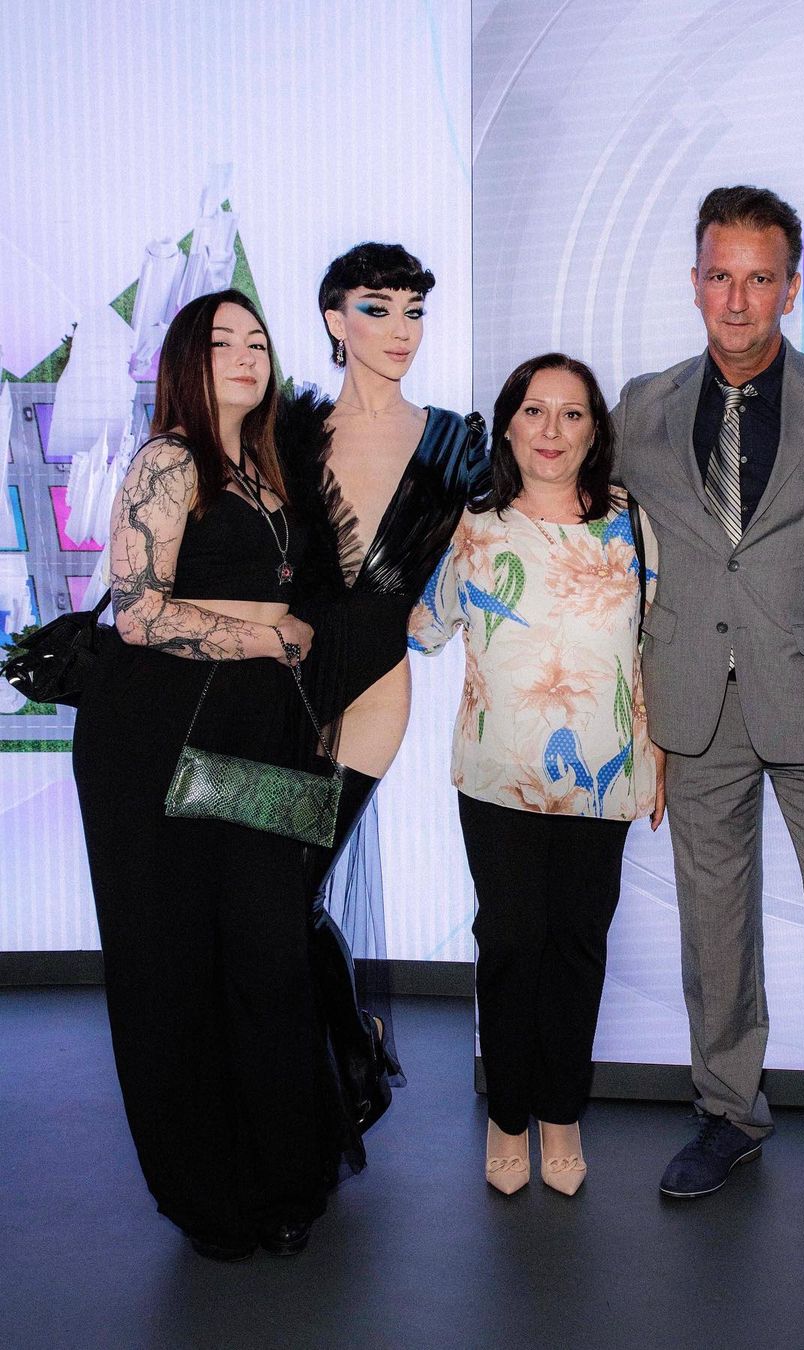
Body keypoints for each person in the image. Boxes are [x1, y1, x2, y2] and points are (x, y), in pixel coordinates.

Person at [611, 186, 804, 1241]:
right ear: (695, 281)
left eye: (760, 278)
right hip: (694, 706)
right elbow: (614, 545)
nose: (738, 299)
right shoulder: (643, 407)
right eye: (720, 275)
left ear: (793, 288)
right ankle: (728, 1115)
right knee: (714, 927)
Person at [72, 289, 358, 1262]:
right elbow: (137, 613)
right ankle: (210, 1197)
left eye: (258, 340)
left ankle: (283, 1176)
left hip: (259, 736)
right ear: (185, 362)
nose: (245, 354)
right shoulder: (168, 459)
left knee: (269, 952)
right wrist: (270, 636)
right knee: (176, 966)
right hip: (161, 743)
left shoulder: (271, 468)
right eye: (222, 340)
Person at [410, 353, 665, 1196]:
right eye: (533, 411)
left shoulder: (632, 523)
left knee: (578, 946)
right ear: (509, 425)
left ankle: (561, 1113)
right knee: (512, 941)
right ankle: (508, 1114)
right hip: (499, 775)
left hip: (605, 772)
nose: (551, 430)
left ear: (595, 432)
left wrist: (660, 750)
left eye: (572, 414)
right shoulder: (472, 527)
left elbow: (657, 645)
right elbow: (422, 628)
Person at [277, 243, 488, 1112]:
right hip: (279, 684)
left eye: (413, 311)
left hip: (372, 688)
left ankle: (350, 1066)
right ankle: (340, 1046)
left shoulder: (453, 443)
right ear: (336, 320)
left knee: (294, 883)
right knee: (268, 890)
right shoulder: (287, 434)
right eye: (377, 309)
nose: (401, 329)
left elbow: (515, 537)